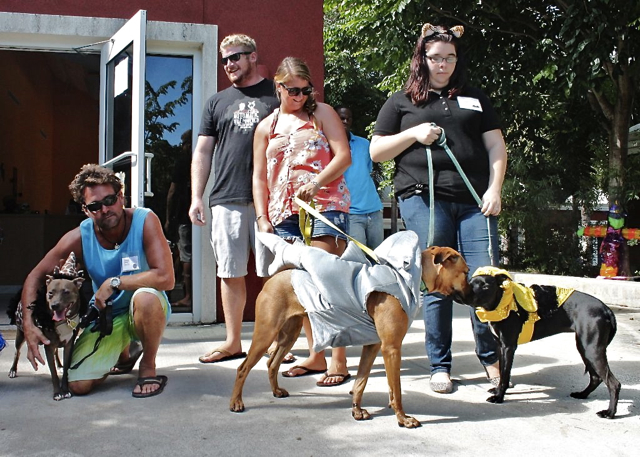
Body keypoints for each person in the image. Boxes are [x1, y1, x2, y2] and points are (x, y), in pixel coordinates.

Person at [370, 23, 508, 393]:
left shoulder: (475, 98)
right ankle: (439, 365)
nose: (442, 64)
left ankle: (491, 360)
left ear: (456, 59)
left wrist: (494, 189)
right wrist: (412, 134)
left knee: (485, 280)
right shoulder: (402, 101)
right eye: (435, 58)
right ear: (423, 59)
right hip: (424, 200)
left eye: (449, 57)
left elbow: (497, 147)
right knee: (437, 284)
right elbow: (376, 151)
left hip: (475, 203)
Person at [20, 164, 174, 397]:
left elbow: (166, 278)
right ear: (86, 210)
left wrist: (114, 282)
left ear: (121, 197)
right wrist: (29, 325)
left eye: (110, 199)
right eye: (95, 205)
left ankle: (147, 365)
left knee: (145, 298)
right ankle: (123, 352)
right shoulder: (80, 237)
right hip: (107, 316)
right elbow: (36, 276)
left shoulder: (145, 220)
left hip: (146, 308)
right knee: (77, 385)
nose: (104, 208)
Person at [252, 57, 353, 387]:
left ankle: (338, 360)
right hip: (283, 213)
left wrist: (317, 182)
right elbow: (257, 177)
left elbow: (343, 156)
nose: (299, 96)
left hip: (325, 207)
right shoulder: (266, 127)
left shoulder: (321, 114)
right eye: (292, 90)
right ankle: (316, 355)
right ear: (278, 87)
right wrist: (262, 217)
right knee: (302, 290)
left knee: (326, 283)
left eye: (306, 90)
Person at [189, 34, 279, 363]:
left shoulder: (277, 94)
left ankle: (275, 342)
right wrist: (197, 196)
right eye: (225, 59)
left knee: (276, 273)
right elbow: (202, 151)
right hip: (225, 197)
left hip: (270, 201)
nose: (229, 64)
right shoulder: (216, 102)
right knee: (230, 272)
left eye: (236, 57)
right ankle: (232, 342)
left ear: (253, 57)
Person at [335, 105, 384, 249]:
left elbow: (367, 170)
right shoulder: (328, 145)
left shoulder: (364, 144)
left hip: (374, 209)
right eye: (341, 118)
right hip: (351, 213)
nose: (345, 121)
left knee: (379, 256)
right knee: (359, 258)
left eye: (348, 118)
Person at [165, 130, 193, 308]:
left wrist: (168, 218)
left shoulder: (183, 162)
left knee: (186, 257)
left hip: (184, 215)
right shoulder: (204, 158)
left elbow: (172, 192)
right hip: (198, 213)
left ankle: (189, 297)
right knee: (184, 255)